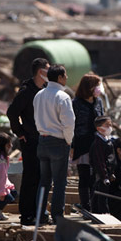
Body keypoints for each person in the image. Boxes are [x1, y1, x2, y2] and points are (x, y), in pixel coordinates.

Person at [6, 58, 49, 226]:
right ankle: (26, 214)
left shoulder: (45, 90)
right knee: (31, 178)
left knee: (42, 178)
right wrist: (20, 132)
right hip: (31, 140)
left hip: (44, 139)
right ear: (40, 72)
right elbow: (12, 112)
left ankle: (39, 212)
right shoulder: (26, 91)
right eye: (47, 69)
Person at [33, 64, 75, 223]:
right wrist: (68, 141)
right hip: (58, 142)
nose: (67, 78)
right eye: (65, 75)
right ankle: (57, 216)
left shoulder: (39, 95)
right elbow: (69, 123)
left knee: (44, 181)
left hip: (42, 140)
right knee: (59, 182)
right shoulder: (63, 97)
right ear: (59, 78)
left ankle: (40, 215)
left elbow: (36, 118)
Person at [71, 74, 104, 211]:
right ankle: (86, 206)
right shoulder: (76, 103)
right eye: (96, 86)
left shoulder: (98, 102)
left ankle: (95, 205)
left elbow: (103, 119)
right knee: (84, 176)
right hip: (82, 144)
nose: (98, 89)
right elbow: (72, 124)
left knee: (96, 177)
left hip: (97, 143)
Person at [89, 116, 116, 214]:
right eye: (107, 125)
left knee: (104, 195)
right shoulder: (98, 143)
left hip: (108, 173)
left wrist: (111, 172)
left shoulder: (108, 141)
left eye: (110, 125)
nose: (110, 127)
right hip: (101, 175)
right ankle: (100, 214)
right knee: (100, 196)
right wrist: (104, 175)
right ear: (99, 128)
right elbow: (99, 161)